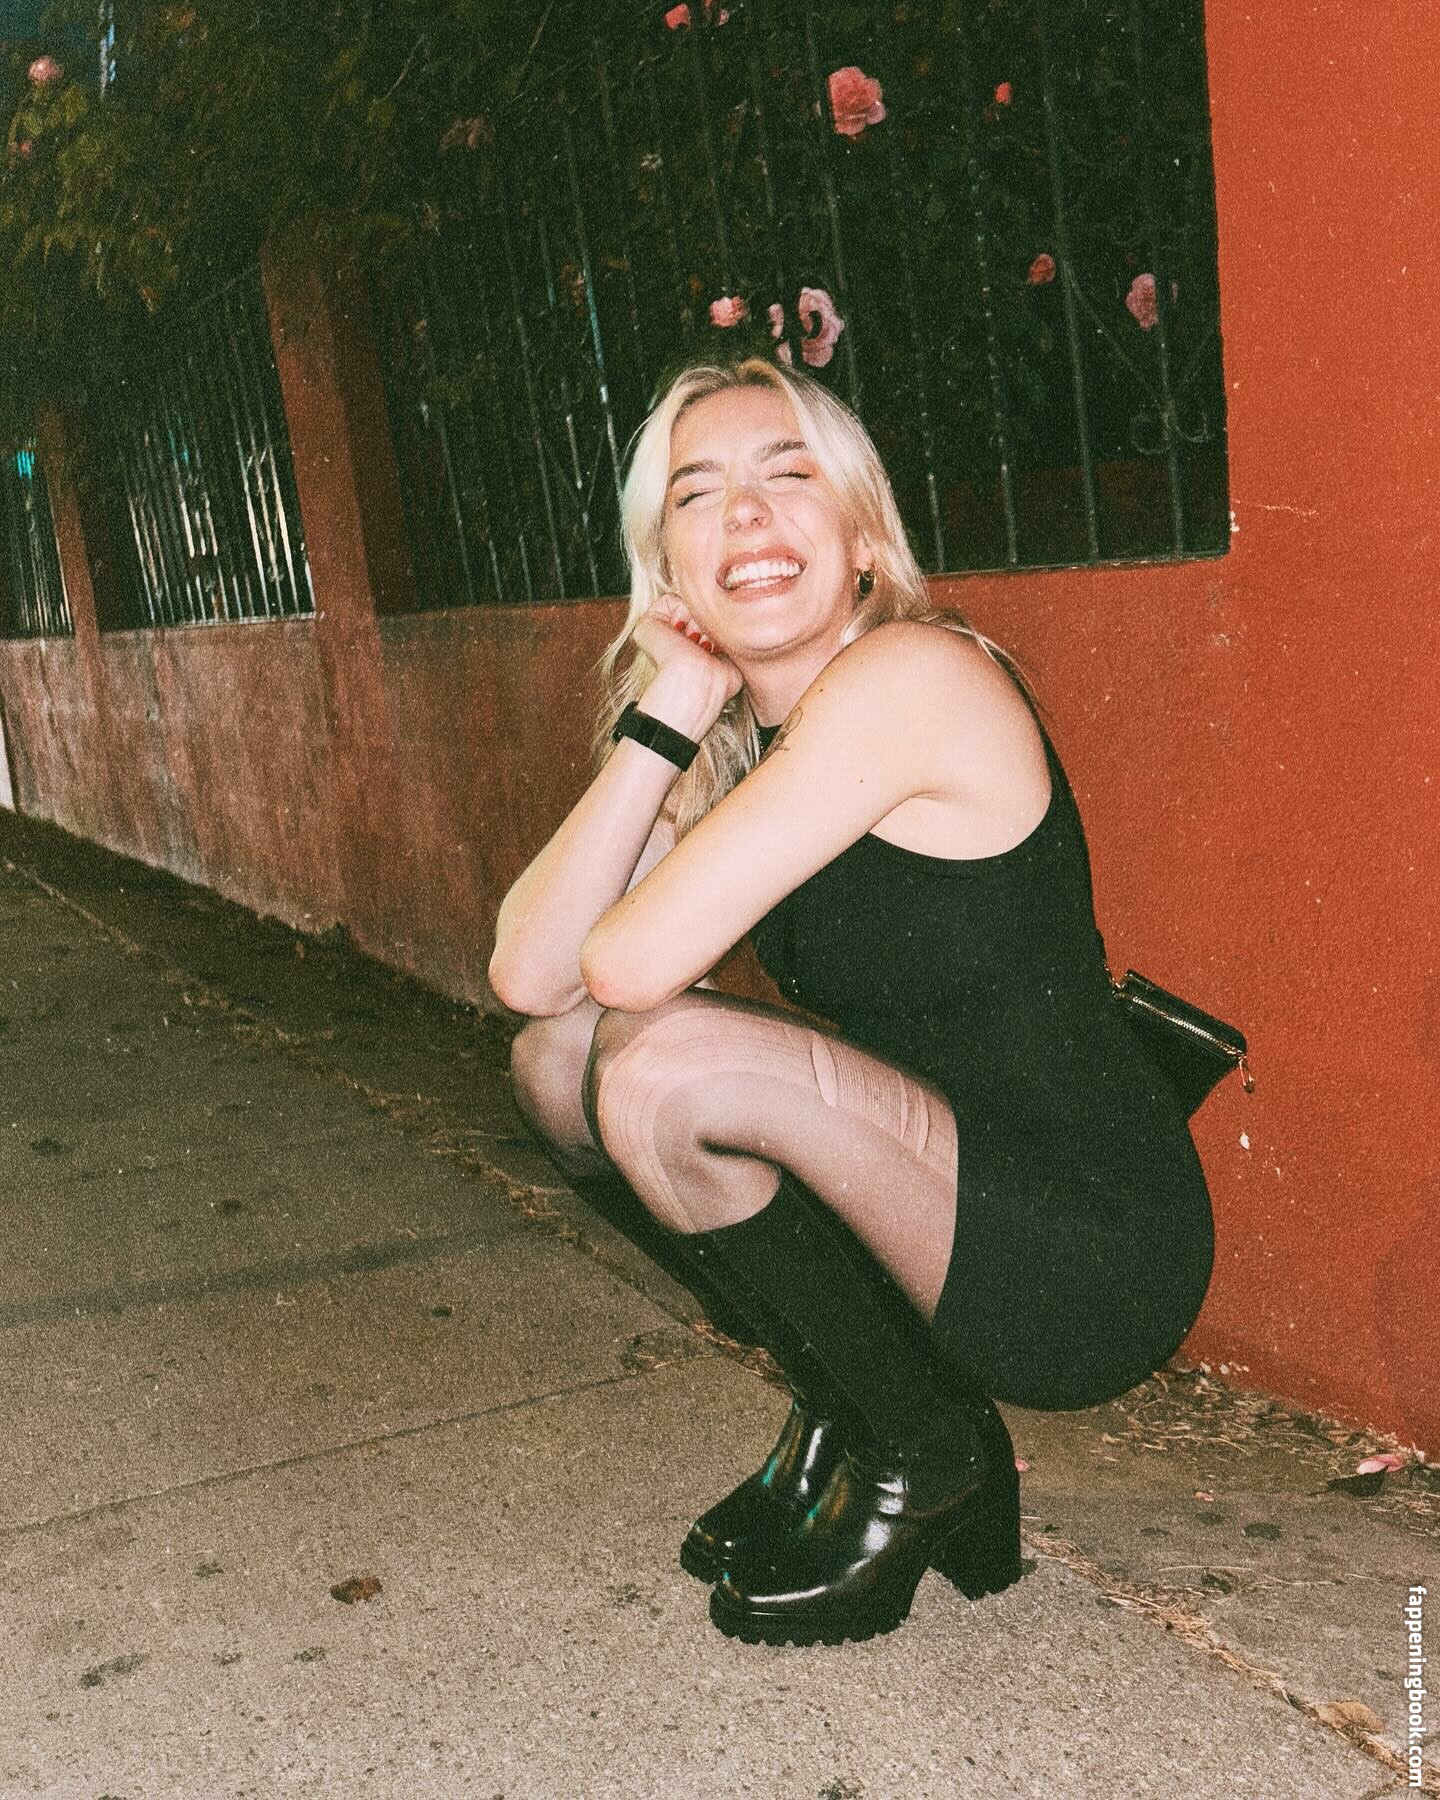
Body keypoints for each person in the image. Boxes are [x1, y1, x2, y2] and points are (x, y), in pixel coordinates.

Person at [488, 354, 1214, 1649]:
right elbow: (533, 980)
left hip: (1080, 1239)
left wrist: (686, 713)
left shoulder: (910, 680)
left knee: (660, 1069)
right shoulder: (743, 743)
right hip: (927, 1197)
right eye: (698, 494)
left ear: (864, 535)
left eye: (790, 475)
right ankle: (851, 1394)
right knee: (557, 1063)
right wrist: (675, 703)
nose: (746, 515)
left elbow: (631, 970)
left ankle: (928, 1451)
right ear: (667, 567)